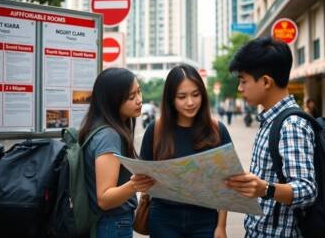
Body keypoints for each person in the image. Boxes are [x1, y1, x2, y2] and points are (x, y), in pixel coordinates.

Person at [225, 37, 317, 238]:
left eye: (243, 81)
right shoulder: (270, 119)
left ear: (266, 81)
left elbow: (307, 189)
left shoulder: (291, 124)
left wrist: (265, 188)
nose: (240, 88)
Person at [140, 63, 232, 238]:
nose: (190, 102)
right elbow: (144, 174)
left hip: (205, 219)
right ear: (171, 100)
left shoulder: (217, 130)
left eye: (195, 95)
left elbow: (226, 182)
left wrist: (221, 226)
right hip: (163, 218)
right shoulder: (156, 129)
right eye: (182, 97)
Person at [79, 68, 155, 238]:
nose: (139, 100)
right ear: (112, 101)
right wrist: (137, 184)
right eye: (131, 97)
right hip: (112, 224)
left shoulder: (99, 127)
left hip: (109, 224)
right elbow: (105, 198)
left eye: (139, 91)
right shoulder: (108, 135)